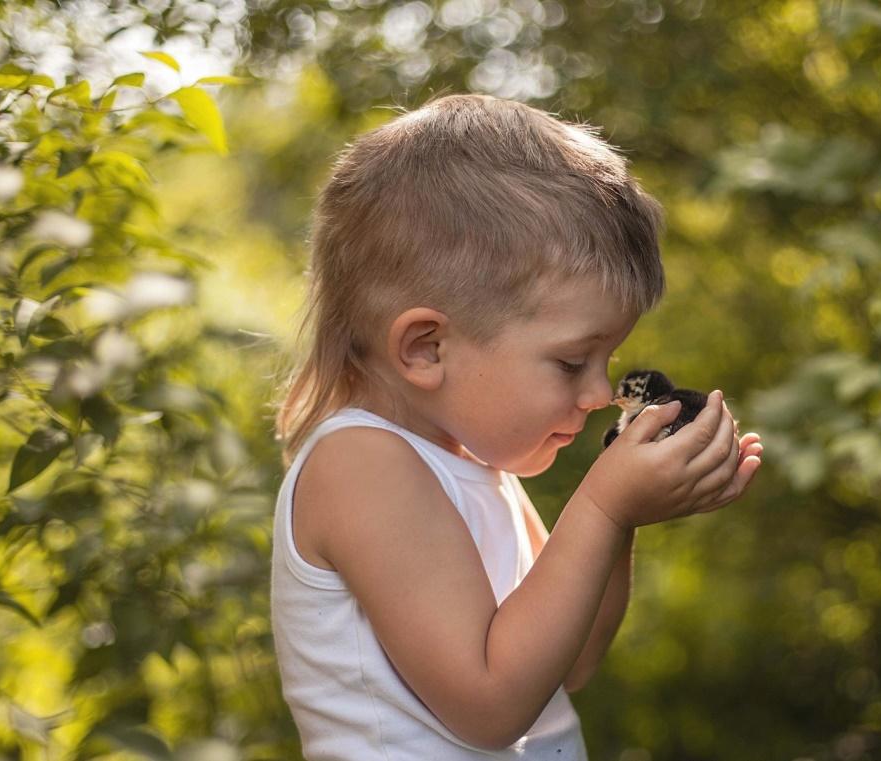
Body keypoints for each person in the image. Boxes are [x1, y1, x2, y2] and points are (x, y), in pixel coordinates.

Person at [269, 92, 764, 760]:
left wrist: (621, 511)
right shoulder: (361, 464)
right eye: (570, 361)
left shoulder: (471, 462)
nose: (597, 393)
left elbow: (567, 661)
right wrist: (604, 505)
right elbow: (491, 705)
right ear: (426, 348)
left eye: (606, 359)